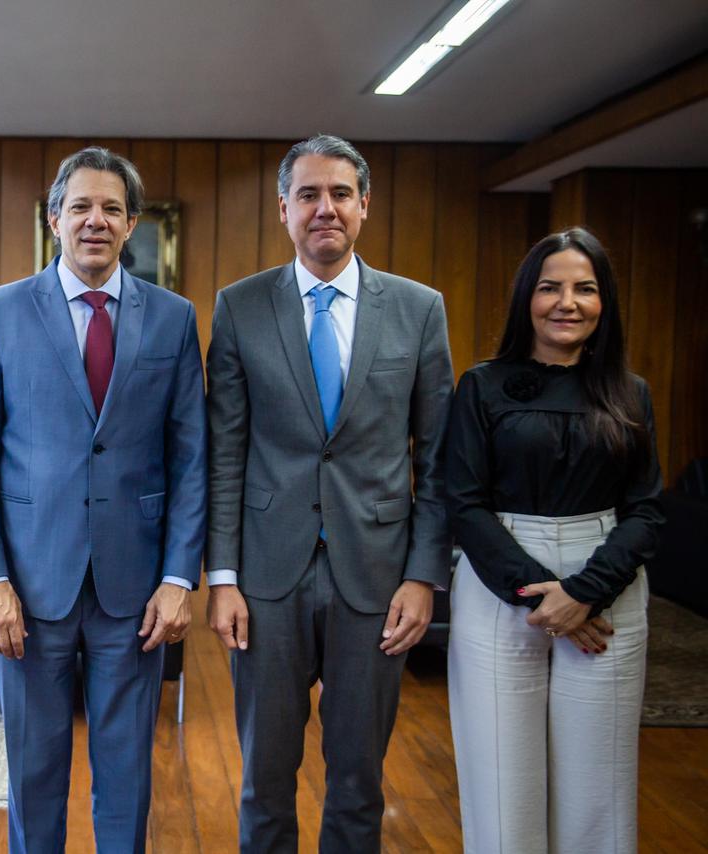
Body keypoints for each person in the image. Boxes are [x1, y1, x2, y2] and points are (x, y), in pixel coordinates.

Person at [0, 146, 207, 853]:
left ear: (132, 225)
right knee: (33, 773)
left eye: (113, 209)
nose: (97, 220)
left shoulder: (173, 319)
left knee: (126, 774)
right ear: (55, 217)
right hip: (26, 591)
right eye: (82, 207)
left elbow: (190, 459)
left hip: (136, 589)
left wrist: (180, 578)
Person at [205, 134, 454, 853]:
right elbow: (225, 451)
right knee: (264, 779)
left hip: (376, 579)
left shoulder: (418, 310)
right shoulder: (240, 307)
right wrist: (221, 576)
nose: (325, 209)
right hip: (266, 580)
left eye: (340, 193)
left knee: (358, 781)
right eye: (308, 195)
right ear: (283, 209)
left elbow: (437, 459)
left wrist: (423, 576)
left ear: (364, 205)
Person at [445, 227, 662, 854]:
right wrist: (544, 599)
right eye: (551, 287)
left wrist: (585, 595)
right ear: (527, 299)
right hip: (500, 583)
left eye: (585, 289)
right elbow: (464, 502)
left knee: (599, 784)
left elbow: (646, 511)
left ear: (605, 303)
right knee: (501, 777)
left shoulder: (631, 391)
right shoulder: (482, 386)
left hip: (607, 589)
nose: (567, 302)